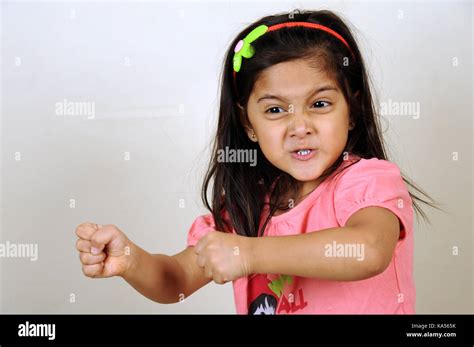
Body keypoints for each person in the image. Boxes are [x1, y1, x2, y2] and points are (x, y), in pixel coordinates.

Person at [75, 9, 440, 314]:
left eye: (320, 104)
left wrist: (250, 254)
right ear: (249, 124)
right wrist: (131, 261)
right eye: (276, 110)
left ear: (352, 111)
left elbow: (368, 250)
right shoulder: (249, 208)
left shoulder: (367, 181)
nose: (300, 127)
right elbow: (176, 281)